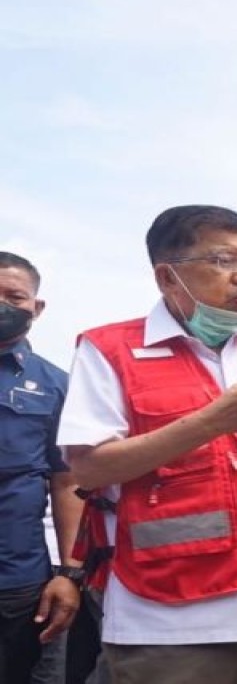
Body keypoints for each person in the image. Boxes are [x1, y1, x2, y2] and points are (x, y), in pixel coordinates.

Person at [57, 205, 237, 684]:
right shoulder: (110, 350)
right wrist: (212, 422)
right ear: (168, 278)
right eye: (223, 261)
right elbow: (87, 469)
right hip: (175, 615)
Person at [0, 251, 82, 683]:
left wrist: (69, 573)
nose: (3, 305)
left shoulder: (54, 384)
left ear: (37, 307)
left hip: (20, 582)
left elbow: (66, 482)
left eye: (15, 296)